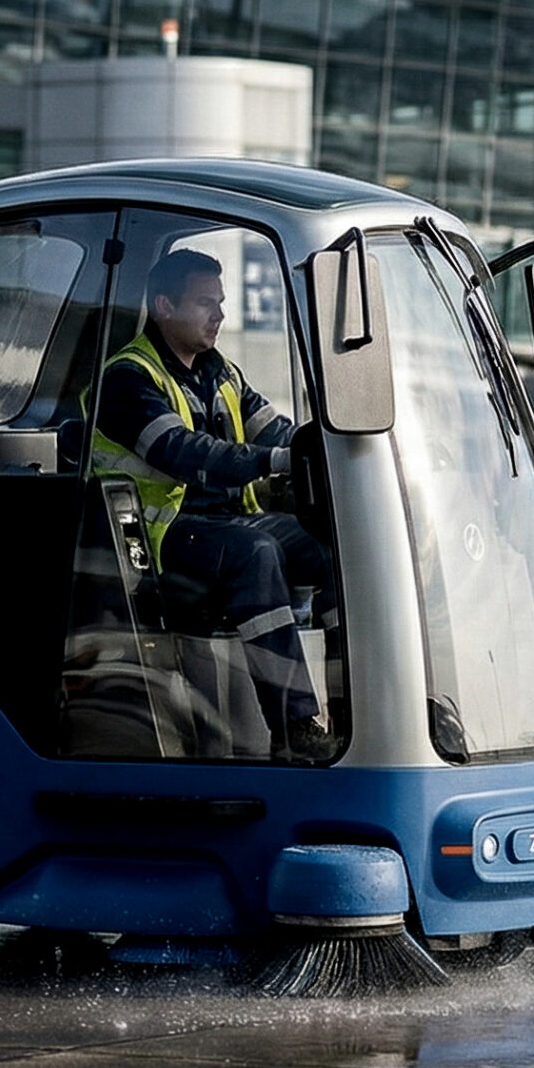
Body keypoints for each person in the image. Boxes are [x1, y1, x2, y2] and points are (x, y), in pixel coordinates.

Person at [92, 248, 336, 759]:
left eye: (220, 303)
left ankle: (349, 707)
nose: (220, 315)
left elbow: (279, 432)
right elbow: (181, 452)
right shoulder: (127, 378)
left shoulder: (221, 372)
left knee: (334, 545)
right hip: (169, 535)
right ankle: (294, 729)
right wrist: (272, 460)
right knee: (255, 553)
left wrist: (329, 451)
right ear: (164, 305)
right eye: (206, 303)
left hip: (227, 522)